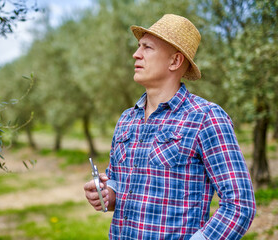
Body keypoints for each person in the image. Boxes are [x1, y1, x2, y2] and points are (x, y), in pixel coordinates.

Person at [84, 14, 256, 239]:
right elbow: (120, 187)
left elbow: (240, 205)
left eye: (148, 48)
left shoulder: (206, 118)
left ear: (175, 61)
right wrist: (106, 194)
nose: (136, 54)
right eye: (138, 46)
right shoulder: (127, 119)